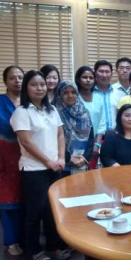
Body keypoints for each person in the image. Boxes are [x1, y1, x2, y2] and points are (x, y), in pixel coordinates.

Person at [10, 70, 69, 260]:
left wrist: (61, 158)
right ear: (26, 87)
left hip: (55, 167)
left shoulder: (52, 110)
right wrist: (48, 161)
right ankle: (33, 252)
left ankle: (53, 247)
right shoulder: (21, 112)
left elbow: (60, 134)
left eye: (42, 84)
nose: (40, 88)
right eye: (34, 84)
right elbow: (26, 142)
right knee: (34, 213)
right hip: (34, 170)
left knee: (53, 211)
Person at [0, 65, 24, 256]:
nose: (17, 81)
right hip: (4, 155)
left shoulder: (29, 102)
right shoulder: (0, 102)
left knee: (26, 198)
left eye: (20, 77)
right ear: (5, 81)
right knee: (8, 200)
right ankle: (10, 241)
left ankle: (24, 237)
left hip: (28, 155)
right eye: (12, 78)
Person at [54, 81, 94, 176]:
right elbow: (53, 140)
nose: (70, 95)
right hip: (62, 163)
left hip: (82, 162)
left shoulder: (84, 112)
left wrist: (85, 157)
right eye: (65, 93)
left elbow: (91, 138)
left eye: (73, 92)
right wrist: (68, 158)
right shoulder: (54, 113)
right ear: (60, 94)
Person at [75, 66, 105, 168]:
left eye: (91, 78)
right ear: (78, 79)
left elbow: (102, 123)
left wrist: (96, 145)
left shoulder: (98, 97)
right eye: (84, 77)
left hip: (95, 143)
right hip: (76, 144)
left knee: (91, 177)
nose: (88, 80)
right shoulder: (74, 97)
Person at [93, 60, 125, 130]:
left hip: (116, 136)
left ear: (111, 74)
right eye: (101, 71)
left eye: (107, 72)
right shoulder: (89, 94)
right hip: (94, 136)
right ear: (95, 73)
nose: (104, 75)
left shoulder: (120, 94)